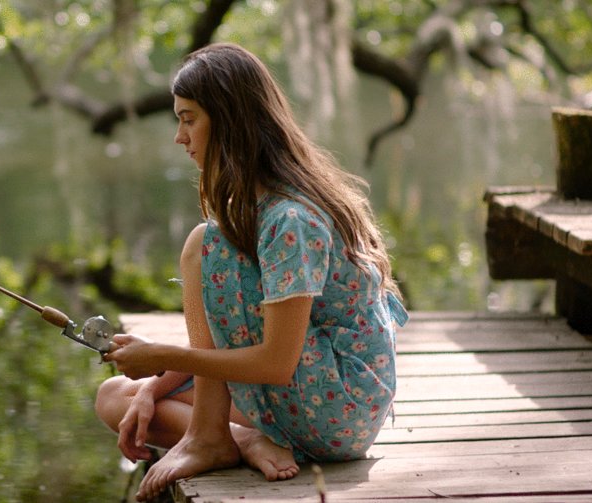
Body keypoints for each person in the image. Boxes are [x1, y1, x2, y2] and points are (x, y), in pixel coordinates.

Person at [96, 43, 408, 502]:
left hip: (340, 410)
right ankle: (237, 439)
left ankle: (209, 437)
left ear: (229, 121)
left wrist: (164, 354)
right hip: (308, 394)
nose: (179, 137)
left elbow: (276, 363)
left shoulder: (291, 220)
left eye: (189, 119)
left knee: (203, 245)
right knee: (116, 396)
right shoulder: (260, 209)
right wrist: (155, 381)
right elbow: (249, 345)